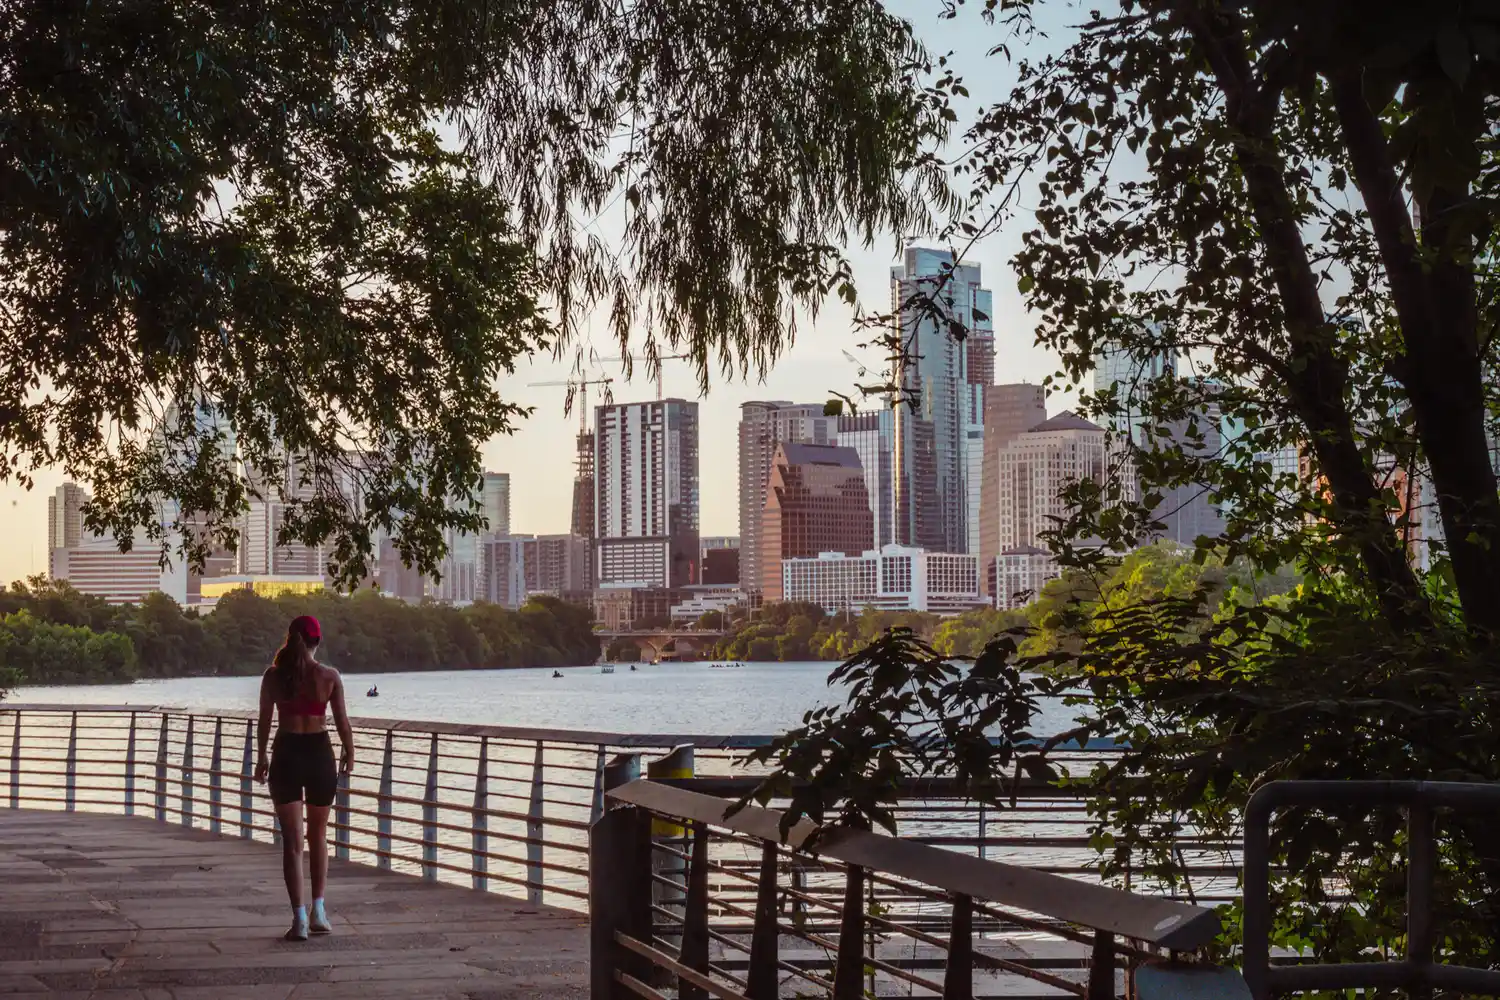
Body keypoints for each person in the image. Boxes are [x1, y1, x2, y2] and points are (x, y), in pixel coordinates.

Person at [254, 616, 354, 941]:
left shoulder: (272, 677)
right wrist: (349, 752)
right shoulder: (329, 677)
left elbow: (265, 722)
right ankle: (319, 911)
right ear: (317, 642)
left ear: (290, 638)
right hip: (319, 754)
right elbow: (341, 722)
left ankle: (298, 918)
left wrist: (261, 757)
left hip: (285, 754)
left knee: (293, 843)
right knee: (318, 836)